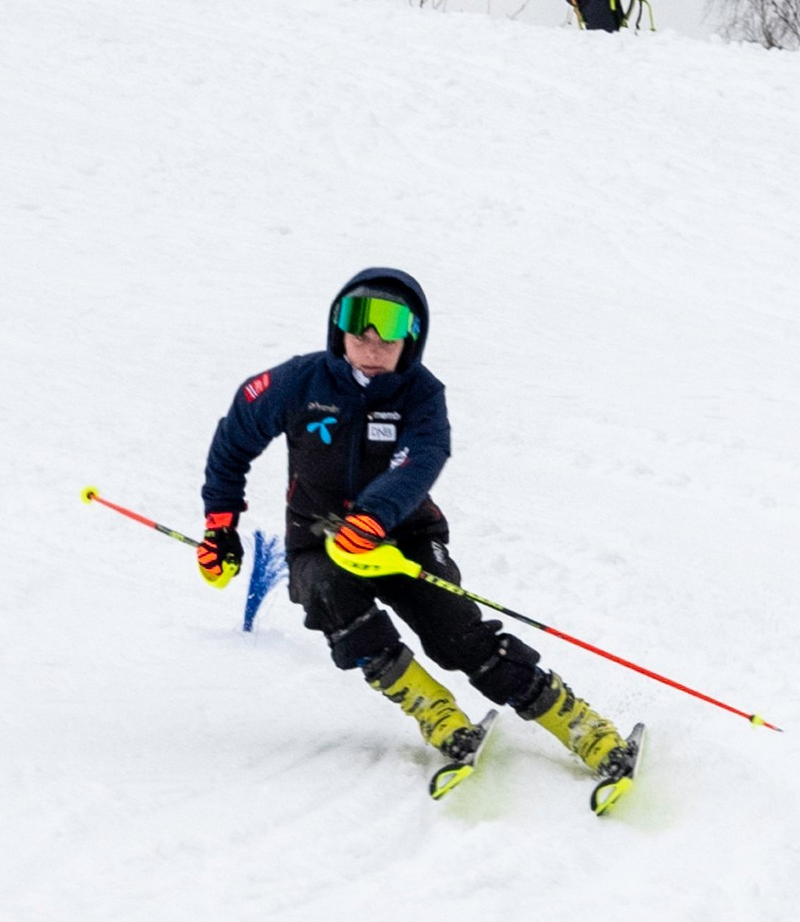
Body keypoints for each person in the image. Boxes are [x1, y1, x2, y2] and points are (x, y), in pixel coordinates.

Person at [196, 265, 631, 785]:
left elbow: (422, 457)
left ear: (414, 336)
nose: (373, 342)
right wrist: (220, 525)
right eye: (360, 324)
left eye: (391, 328)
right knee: (333, 601)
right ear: (340, 328)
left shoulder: (422, 395)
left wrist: (374, 518)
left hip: (404, 536)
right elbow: (234, 440)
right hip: (318, 538)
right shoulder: (297, 382)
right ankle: (436, 714)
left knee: (455, 634)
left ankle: (581, 725)